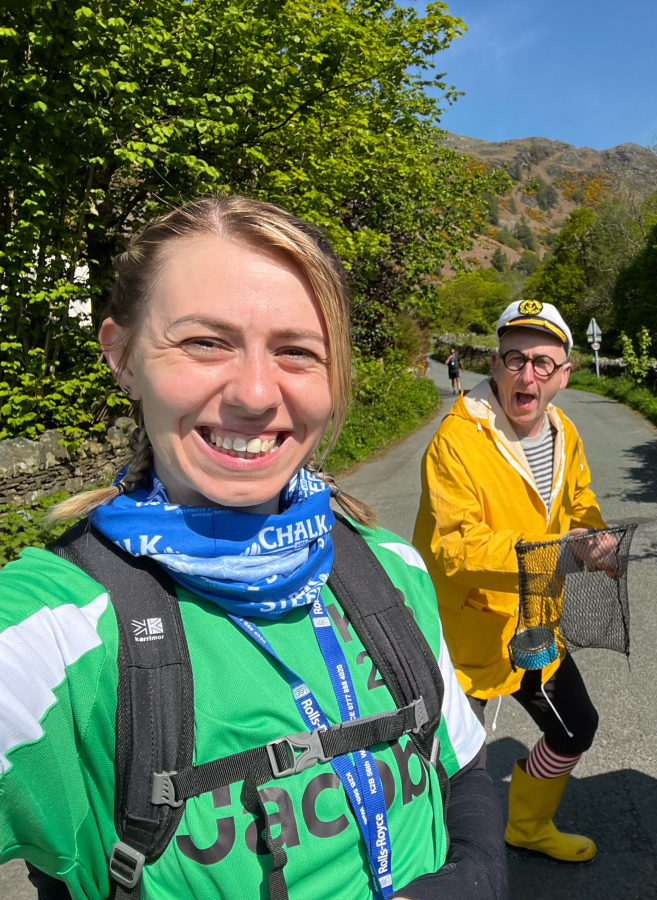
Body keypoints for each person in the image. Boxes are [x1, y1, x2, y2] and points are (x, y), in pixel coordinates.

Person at [0, 196, 505, 900]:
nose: (257, 393)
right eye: (206, 342)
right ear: (121, 356)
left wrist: (480, 875)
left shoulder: (388, 570)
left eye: (297, 351)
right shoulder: (53, 631)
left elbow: (463, 765)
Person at [414, 299, 613, 864]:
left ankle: (526, 824)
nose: (528, 374)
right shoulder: (455, 439)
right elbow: (453, 546)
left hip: (534, 627)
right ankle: (442, 868)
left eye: (543, 363)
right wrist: (559, 556)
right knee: (453, 770)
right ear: (496, 365)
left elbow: (579, 500)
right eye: (515, 358)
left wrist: (593, 535)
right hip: (466, 639)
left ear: (564, 375)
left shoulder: (563, 430)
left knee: (576, 728)